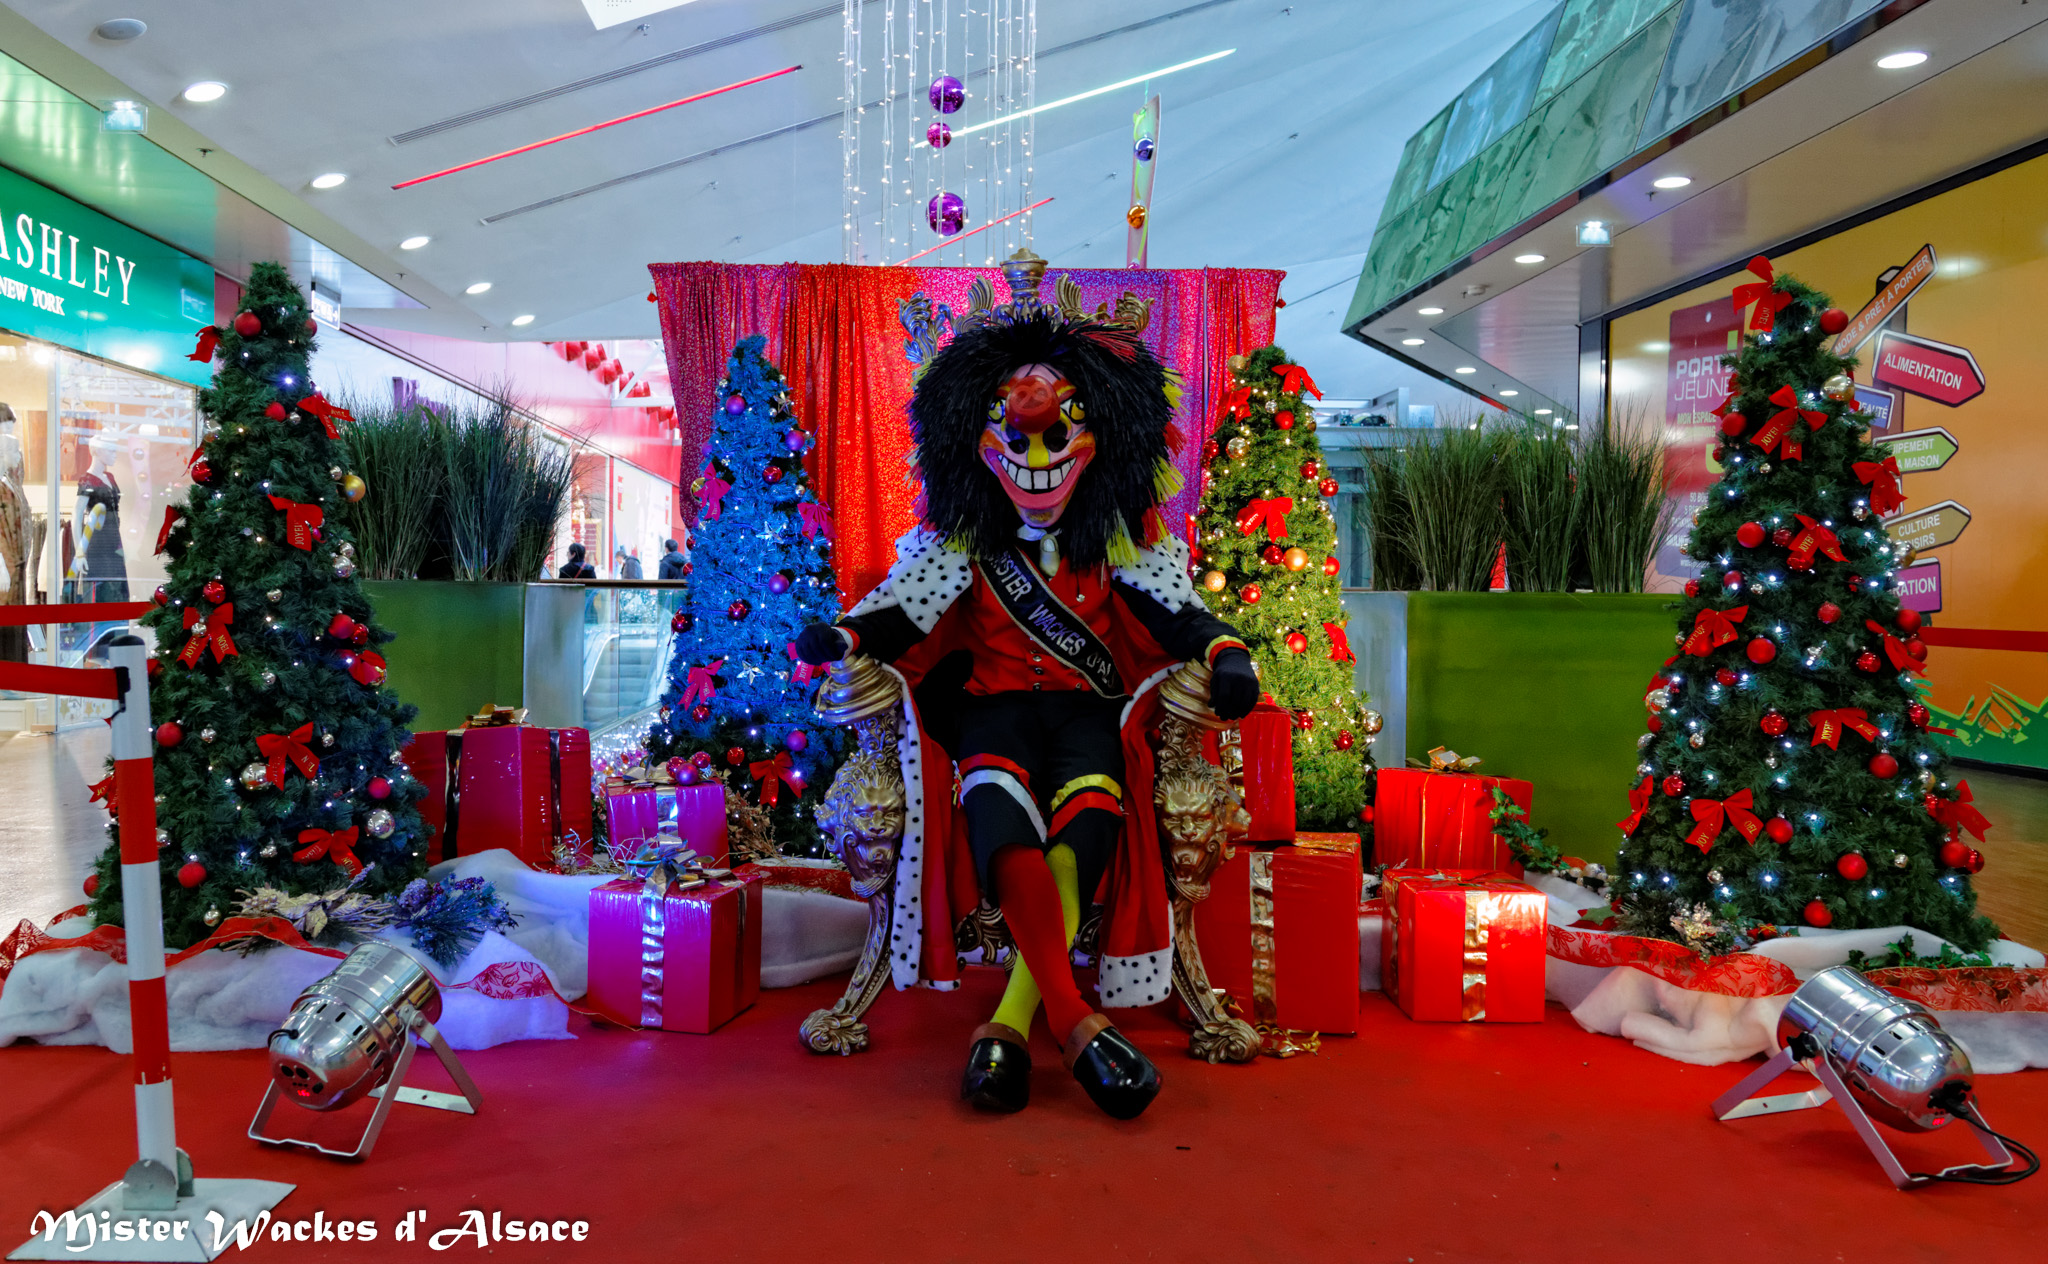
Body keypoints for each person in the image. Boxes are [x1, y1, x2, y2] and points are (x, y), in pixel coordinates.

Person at [794, 279, 1257, 1120]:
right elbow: (902, 613)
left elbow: (1178, 616)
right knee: (1000, 816)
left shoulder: (1122, 542)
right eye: (1013, 434)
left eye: (1063, 433)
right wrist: (849, 639)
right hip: (993, 710)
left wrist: (1226, 654)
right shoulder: (956, 543)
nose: (1038, 458)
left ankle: (1009, 1025)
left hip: (1088, 714)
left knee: (1085, 825)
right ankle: (1075, 1020)